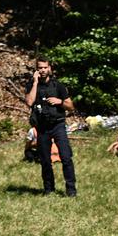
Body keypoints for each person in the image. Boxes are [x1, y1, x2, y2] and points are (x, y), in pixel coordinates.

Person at [24, 57, 77, 196]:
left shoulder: (58, 86)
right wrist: (35, 83)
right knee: (45, 160)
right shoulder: (32, 85)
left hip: (58, 125)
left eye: (45, 67)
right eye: (40, 68)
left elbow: (71, 107)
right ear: (36, 70)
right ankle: (49, 189)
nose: (42, 70)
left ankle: (71, 190)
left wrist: (59, 101)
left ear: (49, 69)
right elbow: (29, 102)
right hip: (42, 128)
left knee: (66, 157)